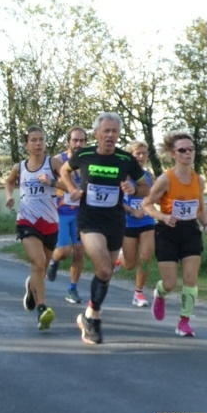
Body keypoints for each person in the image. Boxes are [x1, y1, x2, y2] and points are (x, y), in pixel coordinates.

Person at [59, 112, 150, 344]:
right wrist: (72, 188)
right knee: (106, 269)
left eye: (114, 131)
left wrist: (133, 189)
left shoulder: (125, 159)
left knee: (105, 273)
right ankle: (95, 319)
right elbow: (64, 171)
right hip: (89, 220)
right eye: (106, 131)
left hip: (115, 221)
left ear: (118, 135)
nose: (110, 135)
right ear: (97, 133)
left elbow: (144, 188)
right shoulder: (84, 154)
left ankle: (89, 314)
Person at [142, 131, 207, 337]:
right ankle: (160, 293)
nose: (188, 153)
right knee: (170, 283)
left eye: (191, 149)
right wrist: (162, 216)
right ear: (173, 154)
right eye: (183, 150)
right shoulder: (166, 179)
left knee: (190, 279)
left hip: (190, 231)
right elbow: (146, 204)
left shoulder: (198, 181)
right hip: (168, 232)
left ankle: (184, 321)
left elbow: (200, 208)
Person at [4, 126, 63, 330]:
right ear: (26, 144)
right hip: (27, 221)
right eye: (34, 140)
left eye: (41, 140)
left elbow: (70, 185)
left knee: (42, 269)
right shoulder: (19, 167)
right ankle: (42, 309)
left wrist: (51, 181)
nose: (38, 144)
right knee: (38, 262)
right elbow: (9, 182)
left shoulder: (53, 163)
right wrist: (9, 196)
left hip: (50, 223)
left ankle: (31, 287)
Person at [47, 127, 87, 305]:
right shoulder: (58, 161)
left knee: (79, 252)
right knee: (64, 251)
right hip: (60, 212)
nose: (78, 144)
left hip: (81, 213)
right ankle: (54, 261)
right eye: (75, 140)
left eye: (82, 141)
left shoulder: (89, 162)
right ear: (68, 142)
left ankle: (72, 289)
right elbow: (48, 182)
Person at [118, 140, 156, 308]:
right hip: (128, 222)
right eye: (137, 154)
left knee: (146, 255)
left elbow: (152, 197)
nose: (141, 157)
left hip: (146, 220)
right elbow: (116, 200)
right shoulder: (123, 175)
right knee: (129, 264)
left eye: (144, 153)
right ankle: (119, 258)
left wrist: (147, 208)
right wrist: (132, 210)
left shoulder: (149, 176)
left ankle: (138, 293)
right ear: (130, 156)